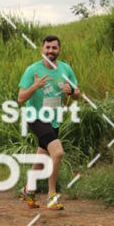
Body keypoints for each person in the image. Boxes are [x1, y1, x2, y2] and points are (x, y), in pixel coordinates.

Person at [18, 35, 80, 211]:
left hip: (54, 118)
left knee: (43, 155)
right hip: (35, 116)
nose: (50, 51)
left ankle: (28, 189)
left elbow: (78, 93)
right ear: (42, 50)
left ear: (59, 50)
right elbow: (21, 98)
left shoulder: (65, 69)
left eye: (54, 48)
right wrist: (34, 87)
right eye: (47, 48)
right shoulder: (32, 70)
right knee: (57, 152)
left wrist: (72, 90)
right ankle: (51, 196)